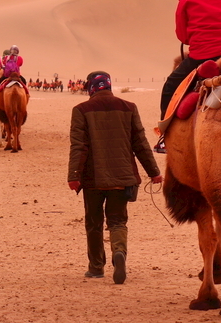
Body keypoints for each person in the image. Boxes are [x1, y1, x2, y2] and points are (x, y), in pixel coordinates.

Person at [68, 71, 163, 284]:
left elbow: (78, 146)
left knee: (93, 222)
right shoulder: (129, 107)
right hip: (123, 177)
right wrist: (154, 172)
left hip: (93, 178)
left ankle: (96, 267)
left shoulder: (81, 110)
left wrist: (74, 175)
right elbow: (140, 144)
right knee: (118, 221)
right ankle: (119, 253)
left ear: (90, 87)